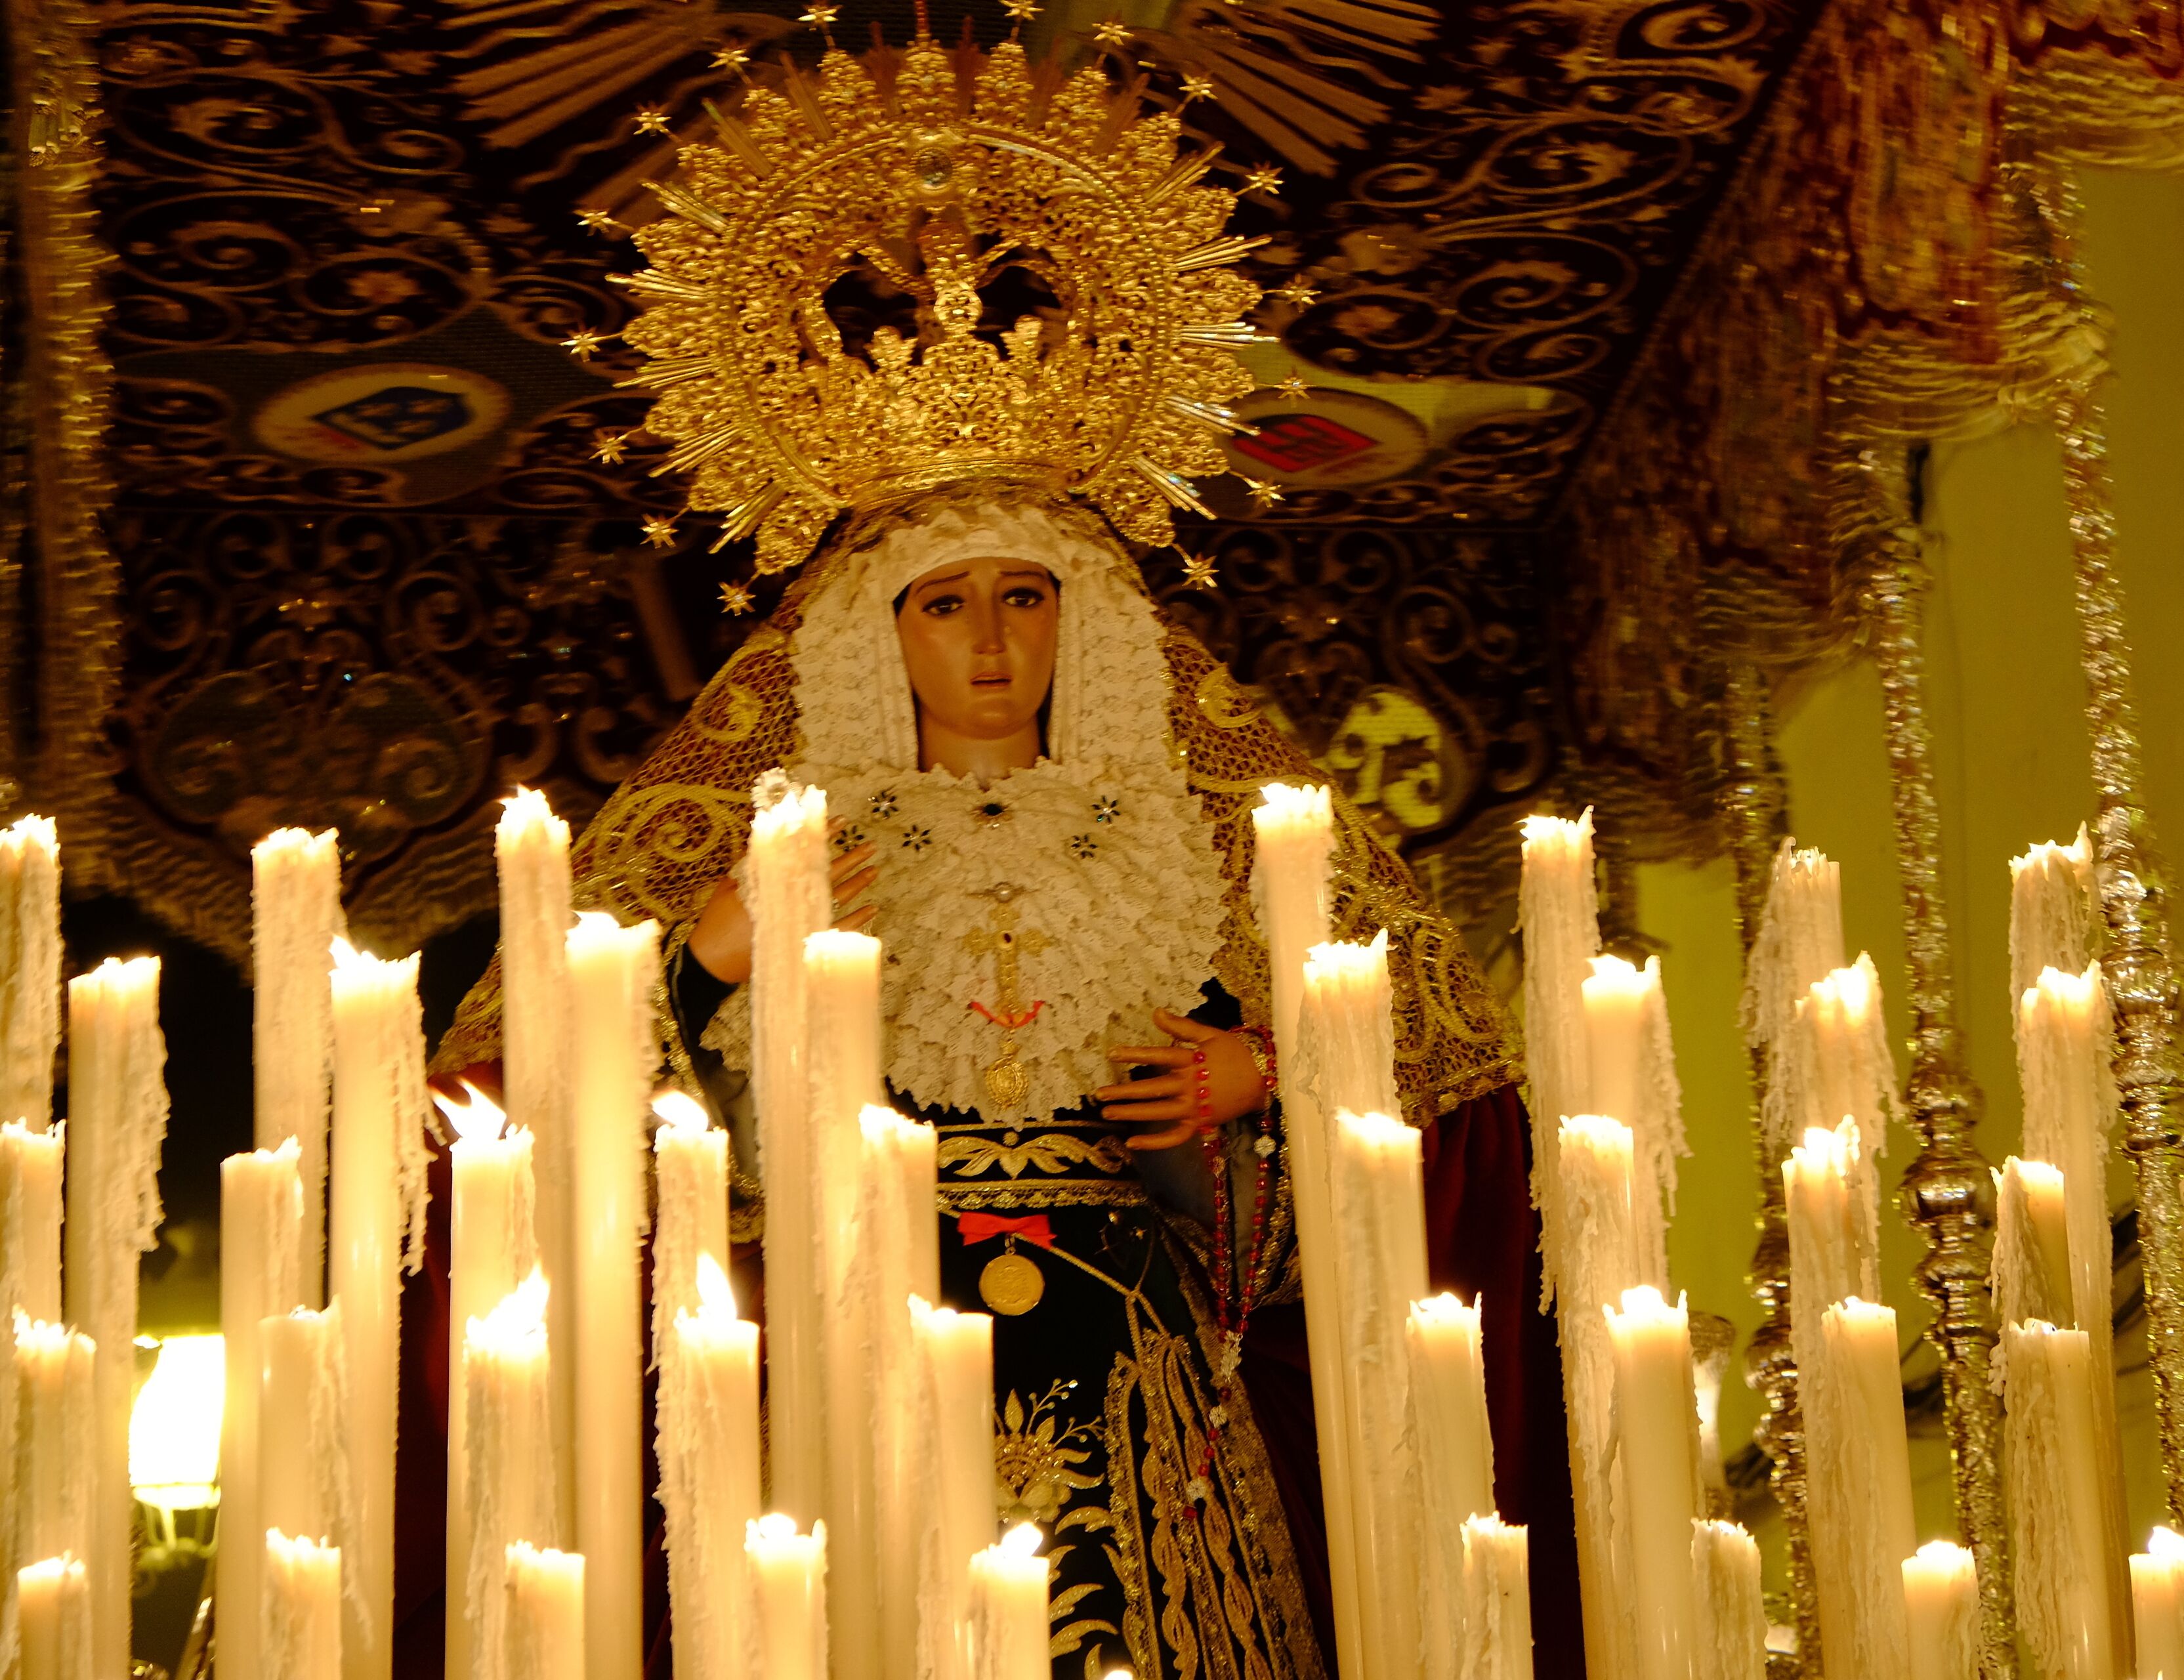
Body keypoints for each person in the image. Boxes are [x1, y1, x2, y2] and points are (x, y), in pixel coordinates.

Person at [425, 30, 1580, 1676]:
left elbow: (1415, 1088)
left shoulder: (1191, 845)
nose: (987, 642)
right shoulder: (784, 851)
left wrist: (1264, 1071)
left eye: (1023, 598)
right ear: (876, 639)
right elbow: (559, 1120)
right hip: (859, 1338)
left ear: (1079, 624)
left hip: (1140, 1344)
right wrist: (706, 963)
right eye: (946, 604)